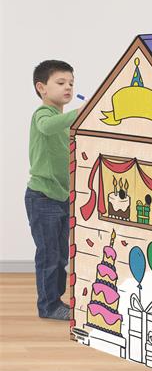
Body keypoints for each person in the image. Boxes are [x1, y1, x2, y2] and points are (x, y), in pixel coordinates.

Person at [25, 60, 85, 320]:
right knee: (49, 255)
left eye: (71, 83)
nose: (68, 87)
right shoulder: (43, 115)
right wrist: (79, 112)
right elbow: (47, 127)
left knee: (60, 255)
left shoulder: (64, 122)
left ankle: (56, 300)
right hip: (42, 198)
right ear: (42, 88)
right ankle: (48, 306)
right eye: (61, 83)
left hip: (62, 197)